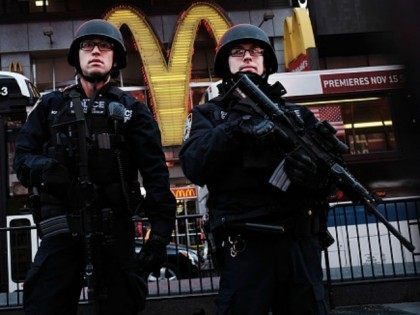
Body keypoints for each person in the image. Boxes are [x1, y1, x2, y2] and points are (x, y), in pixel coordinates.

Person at [14, 19, 176, 315]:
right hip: (62, 231)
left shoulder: (132, 111)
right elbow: (22, 157)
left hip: (115, 232)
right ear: (77, 57)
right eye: (88, 46)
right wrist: (49, 170)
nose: (96, 51)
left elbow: (156, 178)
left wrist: (160, 238)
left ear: (116, 59)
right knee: (42, 304)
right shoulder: (51, 106)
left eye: (105, 47)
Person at [180, 24, 332, 314]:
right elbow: (194, 165)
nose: (247, 57)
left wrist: (314, 175)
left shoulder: (297, 115)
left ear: (266, 62)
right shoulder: (209, 114)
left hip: (297, 244)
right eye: (238, 52)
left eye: (255, 52)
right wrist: (235, 129)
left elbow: (331, 177)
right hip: (245, 246)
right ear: (226, 62)